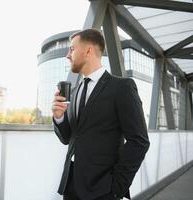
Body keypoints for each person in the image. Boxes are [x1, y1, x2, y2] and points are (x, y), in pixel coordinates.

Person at [51, 28, 150, 200]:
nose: (68, 55)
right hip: (71, 184)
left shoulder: (122, 87)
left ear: (88, 51)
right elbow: (68, 138)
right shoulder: (75, 91)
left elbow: (139, 141)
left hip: (103, 190)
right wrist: (59, 117)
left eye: (72, 49)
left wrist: (116, 187)